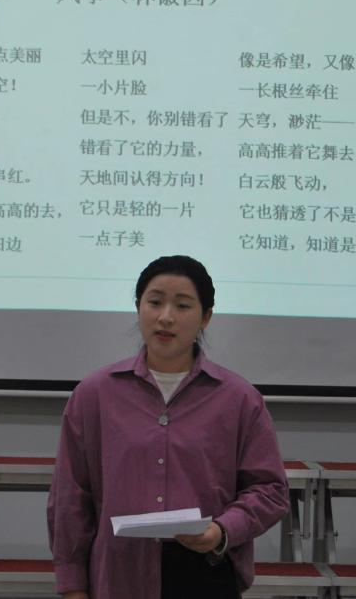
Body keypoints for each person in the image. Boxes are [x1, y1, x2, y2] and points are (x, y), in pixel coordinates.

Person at [47, 255, 289, 599]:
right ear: (138, 307)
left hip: (205, 571)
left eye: (183, 305)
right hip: (119, 573)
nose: (166, 317)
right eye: (155, 302)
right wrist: (72, 587)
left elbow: (270, 489)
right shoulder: (94, 394)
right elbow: (71, 496)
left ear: (206, 317)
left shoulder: (239, 399)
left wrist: (222, 530)